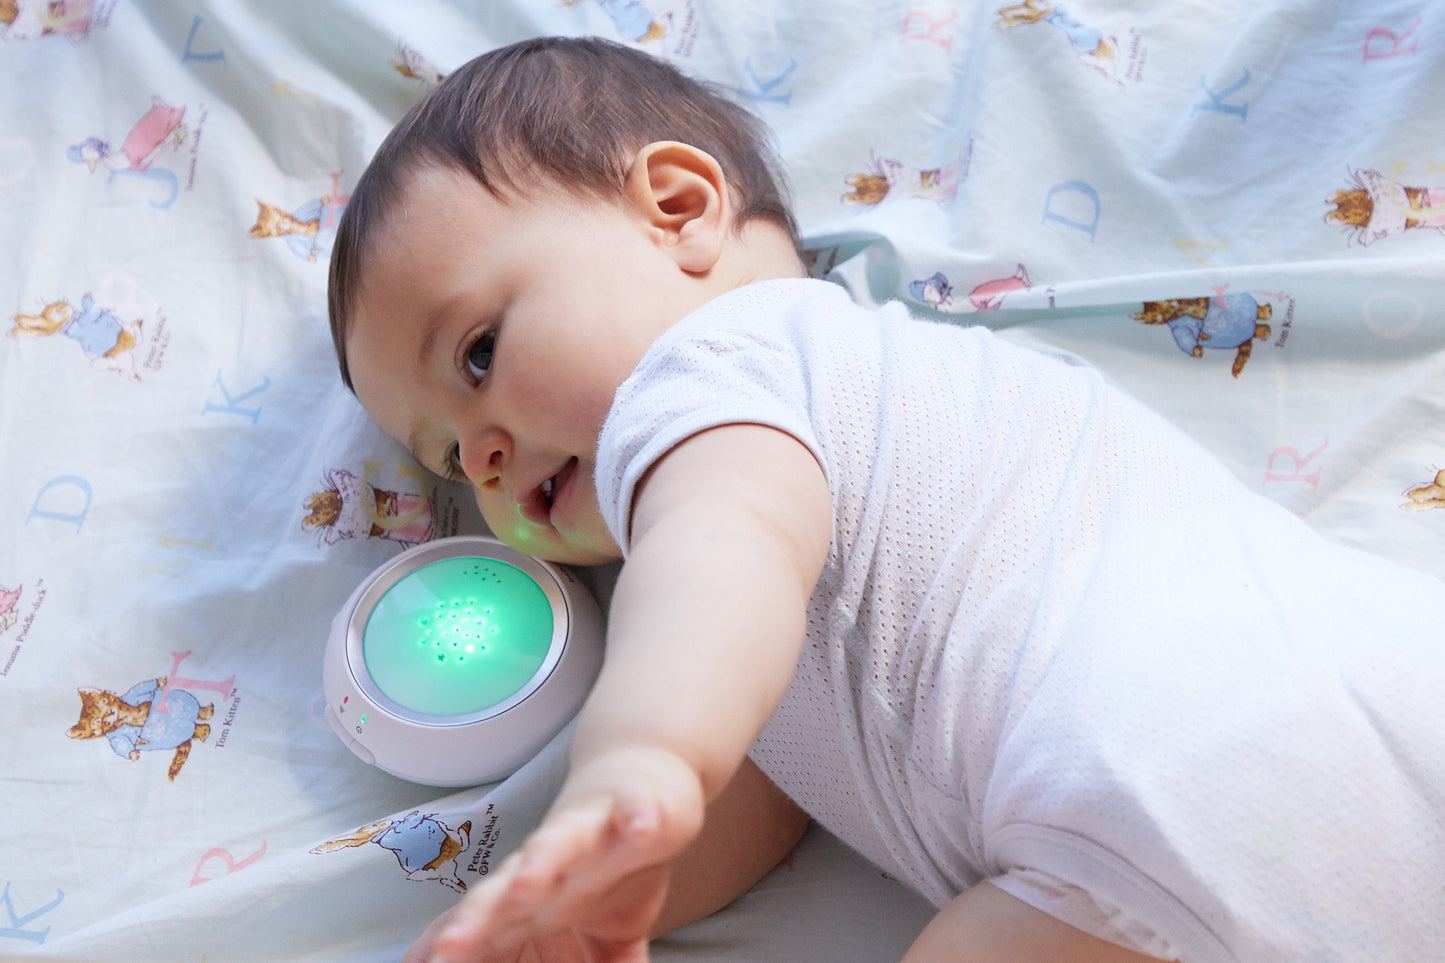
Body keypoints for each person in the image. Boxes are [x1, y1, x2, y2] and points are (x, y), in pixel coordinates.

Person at [327, 36, 1445, 963]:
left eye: (478, 354)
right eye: (445, 457)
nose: (479, 457)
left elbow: (722, 551)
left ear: (677, 208)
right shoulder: (793, 558)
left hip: (1167, 774)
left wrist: (634, 758)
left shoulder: (716, 369)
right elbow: (765, 791)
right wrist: (597, 898)